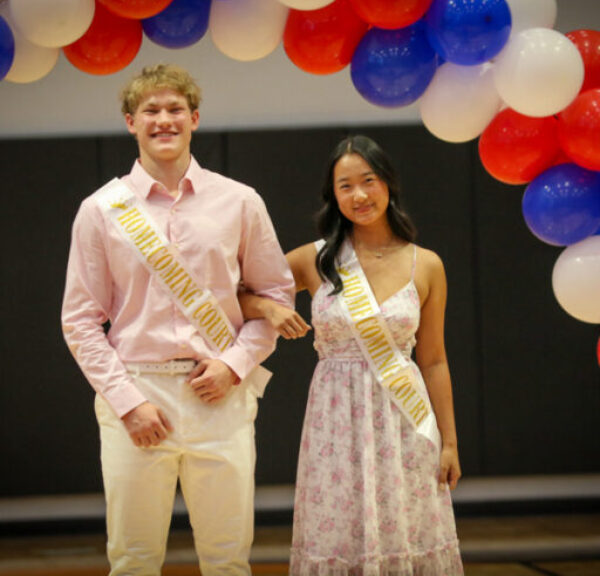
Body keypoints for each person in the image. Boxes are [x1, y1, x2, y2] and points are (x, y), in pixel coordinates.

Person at [61, 63, 295, 575]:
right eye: (151, 110)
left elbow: (275, 295)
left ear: (194, 118)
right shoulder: (100, 210)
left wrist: (235, 365)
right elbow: (80, 321)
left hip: (221, 394)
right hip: (137, 397)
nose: (163, 120)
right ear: (130, 122)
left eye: (174, 110)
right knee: (133, 559)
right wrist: (128, 404)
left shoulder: (239, 201)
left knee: (228, 558)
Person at [240, 135, 464, 574]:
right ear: (334, 195)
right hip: (335, 420)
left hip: (406, 421)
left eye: (369, 181)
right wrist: (269, 308)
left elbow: (434, 360)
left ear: (388, 185)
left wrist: (450, 442)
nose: (359, 195)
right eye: (345, 186)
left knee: (406, 530)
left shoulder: (428, 265)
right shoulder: (315, 259)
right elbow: (238, 297)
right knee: (339, 531)